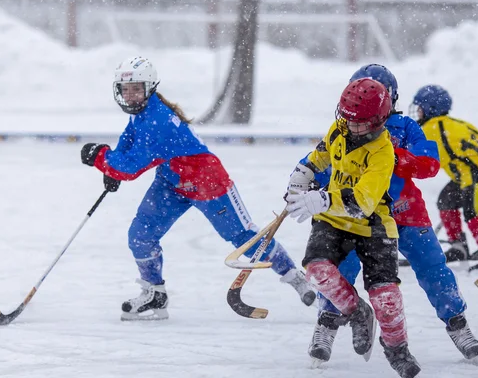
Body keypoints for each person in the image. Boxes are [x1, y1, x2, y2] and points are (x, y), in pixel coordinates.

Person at [80, 56, 315, 321]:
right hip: (172, 182)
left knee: (244, 239)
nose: (130, 95)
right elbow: (130, 140)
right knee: (140, 235)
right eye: (125, 89)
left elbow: (131, 167)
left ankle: (295, 277)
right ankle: (154, 294)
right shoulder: (142, 113)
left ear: (149, 88)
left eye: (136, 89)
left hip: (207, 183)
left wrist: (101, 158)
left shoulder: (158, 120)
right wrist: (114, 164)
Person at [301, 65, 478, 366]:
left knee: (433, 268)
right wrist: (307, 181)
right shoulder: (348, 126)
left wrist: (391, 157)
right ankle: (327, 323)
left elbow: (429, 164)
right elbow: (322, 159)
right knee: (339, 268)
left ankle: (457, 324)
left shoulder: (406, 127)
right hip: (356, 217)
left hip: (404, 212)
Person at [285, 77, 421, 378]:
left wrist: (320, 199)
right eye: (345, 118)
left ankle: (397, 348)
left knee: (386, 296)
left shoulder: (383, 153)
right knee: (318, 269)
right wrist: (301, 176)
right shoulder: (340, 129)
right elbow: (318, 157)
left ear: (378, 122)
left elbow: (362, 202)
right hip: (333, 219)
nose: (349, 126)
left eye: (358, 123)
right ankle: (357, 311)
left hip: (372, 223)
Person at [410, 85, 478, 273]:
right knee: (446, 201)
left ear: (430, 109)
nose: (418, 112)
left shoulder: (432, 127)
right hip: (468, 172)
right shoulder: (454, 123)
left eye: (420, 108)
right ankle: (458, 246)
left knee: (474, 211)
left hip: (477, 172)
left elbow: (421, 155)